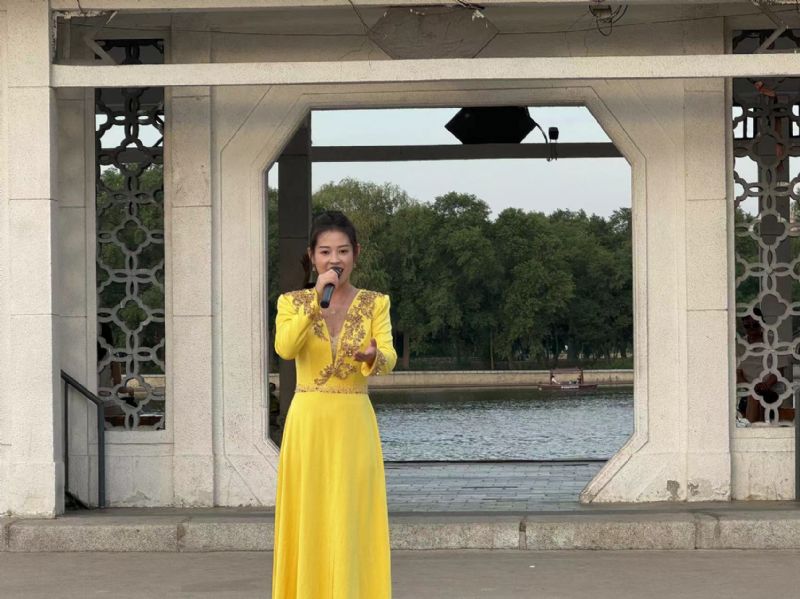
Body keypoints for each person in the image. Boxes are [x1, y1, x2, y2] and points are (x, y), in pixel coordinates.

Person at [272, 210, 397, 599]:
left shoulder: (375, 303)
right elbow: (285, 348)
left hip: (353, 422)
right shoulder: (292, 302)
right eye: (325, 252)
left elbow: (389, 357)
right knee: (309, 514)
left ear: (356, 253)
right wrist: (315, 302)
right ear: (312, 257)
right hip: (308, 422)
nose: (334, 260)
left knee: (351, 515)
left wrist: (374, 356)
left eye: (342, 251)